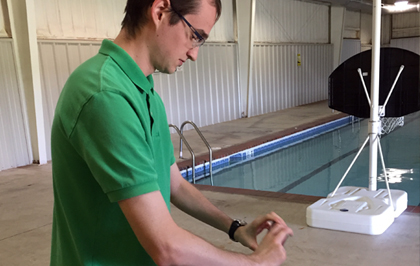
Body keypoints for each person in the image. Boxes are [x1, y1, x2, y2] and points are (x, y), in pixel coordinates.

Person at [50, 0, 293, 265]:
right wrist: (257, 262)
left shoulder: (145, 93)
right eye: (194, 36)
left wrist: (234, 228)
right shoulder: (105, 96)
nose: (193, 54)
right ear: (160, 12)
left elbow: (174, 184)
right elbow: (166, 248)